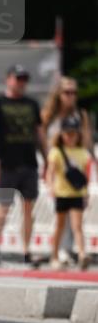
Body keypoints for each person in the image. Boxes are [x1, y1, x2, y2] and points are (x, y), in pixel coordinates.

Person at [0, 64, 48, 267]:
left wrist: (47, 158)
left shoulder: (32, 104)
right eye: (18, 78)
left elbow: (39, 132)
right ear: (8, 79)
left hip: (29, 164)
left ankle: (26, 251)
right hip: (7, 165)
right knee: (4, 207)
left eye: (24, 79)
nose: (21, 83)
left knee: (29, 208)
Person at [41, 75, 94, 264]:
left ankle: (68, 250)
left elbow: (86, 142)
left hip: (73, 167)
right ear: (58, 94)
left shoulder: (80, 116)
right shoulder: (49, 115)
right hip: (53, 165)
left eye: (74, 92)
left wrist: (88, 162)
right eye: (67, 92)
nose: (71, 96)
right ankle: (57, 251)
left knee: (75, 217)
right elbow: (42, 140)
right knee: (57, 214)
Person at [46, 114, 92, 270]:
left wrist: (86, 193)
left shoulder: (82, 152)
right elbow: (50, 172)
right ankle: (54, 255)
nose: (71, 137)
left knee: (77, 226)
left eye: (73, 133)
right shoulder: (57, 152)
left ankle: (82, 254)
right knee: (59, 226)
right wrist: (50, 187)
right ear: (62, 135)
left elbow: (85, 176)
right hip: (61, 193)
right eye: (68, 133)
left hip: (77, 194)